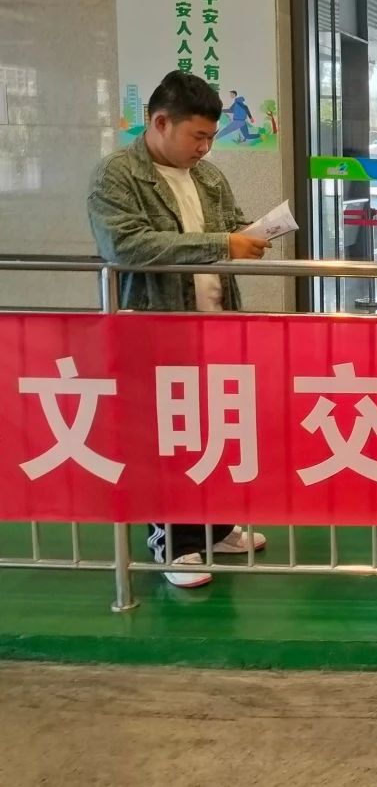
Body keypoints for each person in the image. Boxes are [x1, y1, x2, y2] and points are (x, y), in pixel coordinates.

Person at [87, 70, 270, 588]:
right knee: (166, 436)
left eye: (211, 137)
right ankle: (174, 542)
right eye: (198, 136)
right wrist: (222, 244)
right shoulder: (117, 175)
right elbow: (127, 245)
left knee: (216, 429)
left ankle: (217, 527)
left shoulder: (207, 177)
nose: (205, 148)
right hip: (155, 329)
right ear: (161, 122)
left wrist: (252, 234)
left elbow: (230, 224)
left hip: (215, 323)